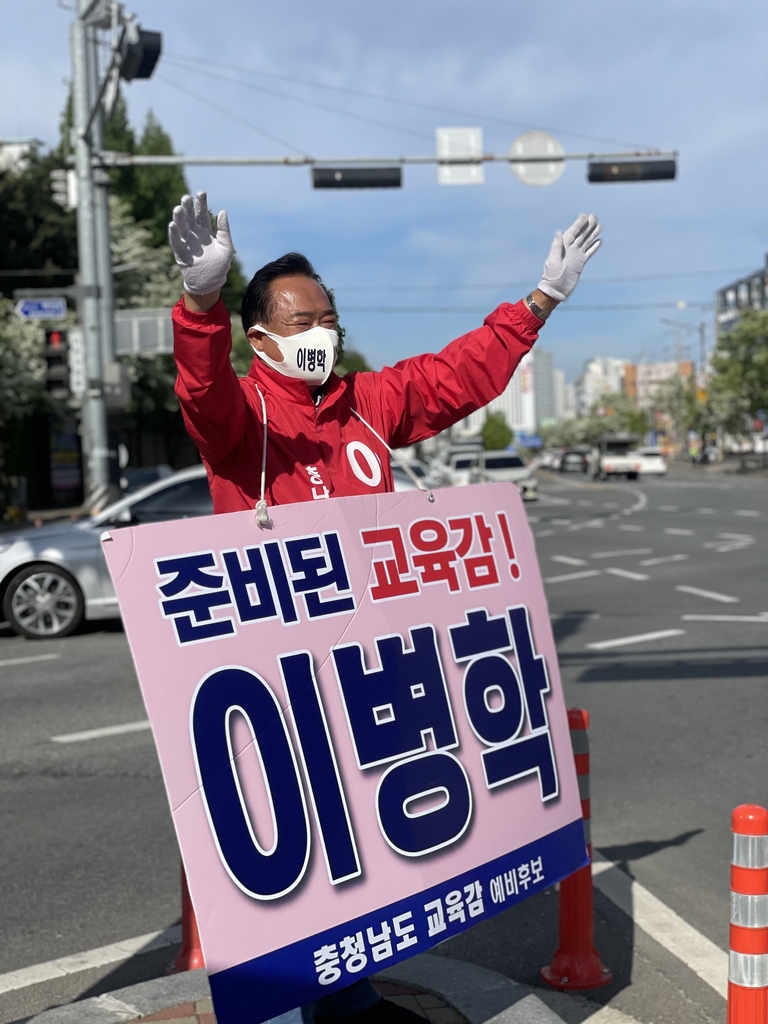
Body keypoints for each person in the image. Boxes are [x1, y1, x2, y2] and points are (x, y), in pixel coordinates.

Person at [168, 192, 601, 1024]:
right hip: (277, 678)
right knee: (292, 859)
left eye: (327, 317)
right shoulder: (245, 415)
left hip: (366, 674)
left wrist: (539, 301)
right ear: (260, 338)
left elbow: (455, 376)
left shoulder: (366, 403)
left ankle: (351, 994)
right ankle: (289, 1002)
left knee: (364, 850)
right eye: (299, 322)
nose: (318, 333)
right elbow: (202, 393)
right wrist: (198, 306)